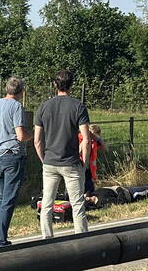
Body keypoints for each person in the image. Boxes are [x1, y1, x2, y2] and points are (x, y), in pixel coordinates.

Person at [34, 69, 91, 238]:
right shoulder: (78, 106)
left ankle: (47, 238)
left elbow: (37, 141)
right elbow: (86, 139)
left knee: (47, 203)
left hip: (50, 162)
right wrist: (85, 163)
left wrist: (44, 159)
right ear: (71, 85)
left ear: (54, 85)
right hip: (71, 162)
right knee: (77, 204)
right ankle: (81, 240)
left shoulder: (44, 107)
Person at [0, 76, 31, 248]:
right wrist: (34, 134)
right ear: (21, 91)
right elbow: (21, 135)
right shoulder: (16, 107)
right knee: (9, 199)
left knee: (2, 197)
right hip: (13, 155)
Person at [79, 124, 106, 202]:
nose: (92, 137)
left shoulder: (94, 141)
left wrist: (100, 139)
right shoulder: (80, 138)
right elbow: (78, 151)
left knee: (89, 187)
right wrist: (84, 141)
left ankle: (89, 200)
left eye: (94, 136)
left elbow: (104, 149)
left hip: (89, 167)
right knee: (79, 184)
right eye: (91, 134)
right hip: (80, 164)